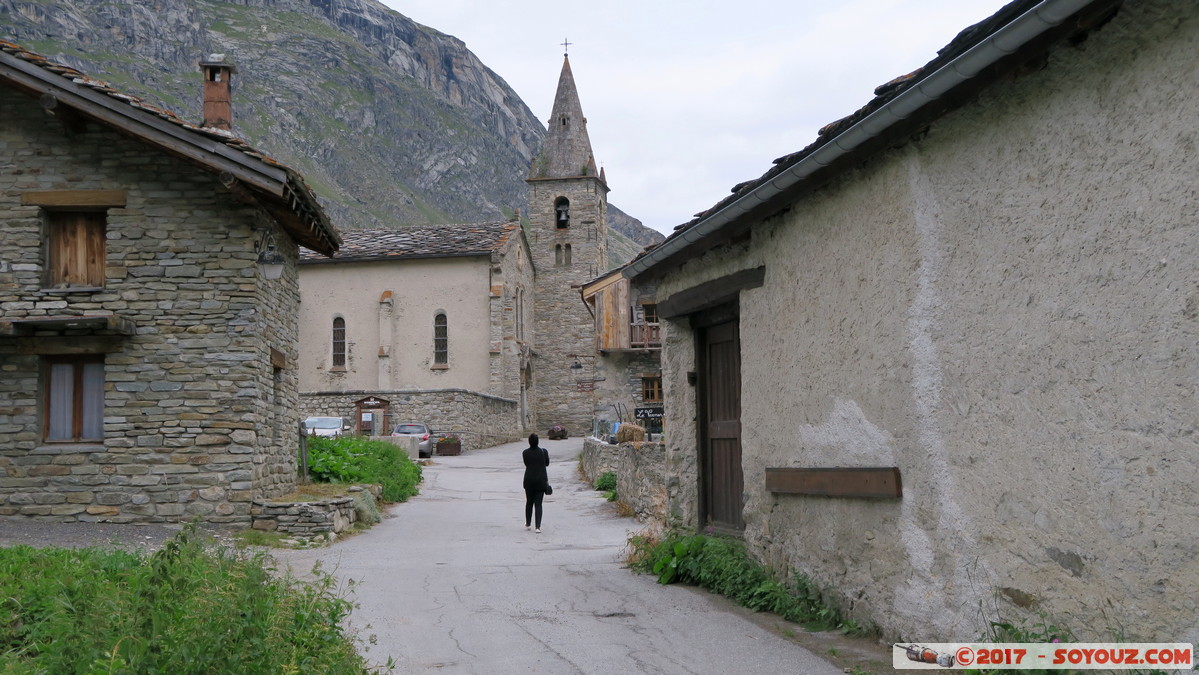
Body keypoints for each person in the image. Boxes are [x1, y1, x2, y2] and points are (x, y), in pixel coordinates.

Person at [522, 433, 549, 533]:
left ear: (529, 442)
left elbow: (526, 463)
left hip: (529, 480)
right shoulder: (543, 452)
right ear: (538, 441)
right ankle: (538, 527)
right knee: (538, 504)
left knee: (529, 502)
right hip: (541, 480)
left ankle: (528, 523)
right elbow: (547, 463)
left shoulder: (525, 453)